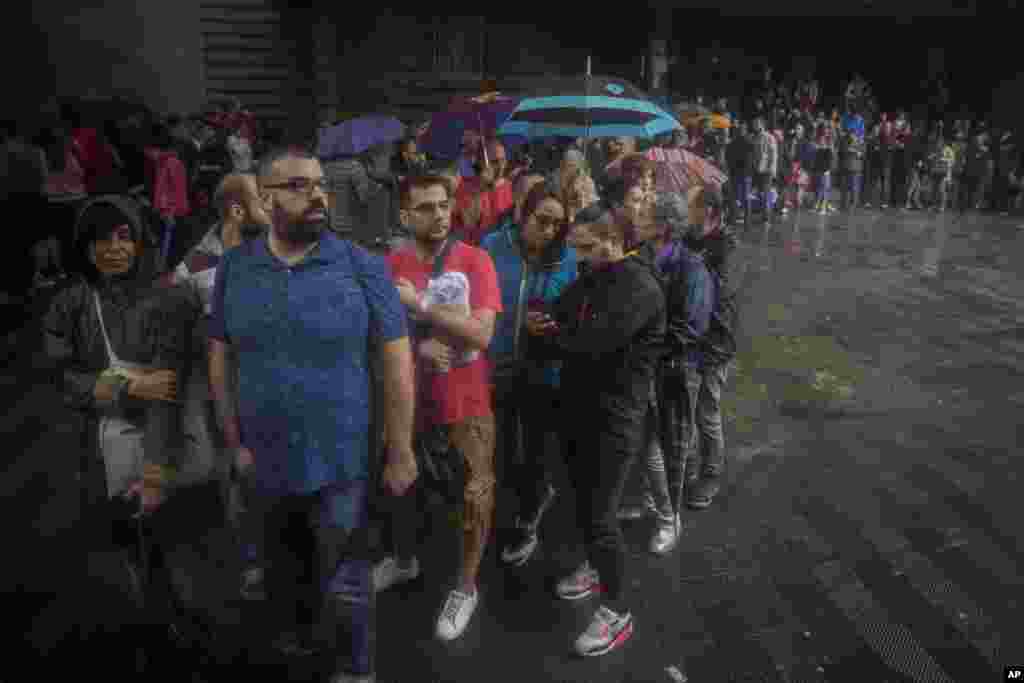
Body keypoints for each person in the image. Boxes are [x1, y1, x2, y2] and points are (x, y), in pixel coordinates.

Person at [207, 147, 417, 683]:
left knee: (348, 581)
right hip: (265, 462)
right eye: (299, 186)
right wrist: (233, 440)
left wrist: (400, 448)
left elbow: (396, 361)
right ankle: (301, 644)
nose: (318, 194)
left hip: (341, 461)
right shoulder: (234, 268)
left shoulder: (362, 267)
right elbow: (221, 357)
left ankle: (357, 670)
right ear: (266, 198)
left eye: (320, 184)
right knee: (287, 571)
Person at [43, 194, 199, 668]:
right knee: (129, 545)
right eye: (99, 240)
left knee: (175, 544)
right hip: (104, 451)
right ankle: (153, 624)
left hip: (165, 443)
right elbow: (60, 378)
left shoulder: (169, 297)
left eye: (123, 236)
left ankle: (175, 629)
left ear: (139, 241)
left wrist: (153, 470)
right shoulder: (71, 303)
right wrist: (123, 388)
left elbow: (171, 389)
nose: (112, 248)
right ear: (83, 249)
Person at [529, 205, 666, 657]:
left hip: (615, 420)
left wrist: (553, 334)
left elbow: (591, 345)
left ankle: (618, 609)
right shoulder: (591, 276)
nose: (580, 257)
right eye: (576, 248)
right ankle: (592, 565)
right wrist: (548, 324)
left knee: (601, 517)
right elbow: (558, 313)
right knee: (580, 505)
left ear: (614, 240)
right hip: (578, 410)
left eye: (587, 247)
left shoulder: (641, 287)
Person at [380, 174, 502, 642]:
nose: (438, 214)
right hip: (407, 402)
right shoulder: (390, 264)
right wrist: (418, 348)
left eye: (443, 204)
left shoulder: (475, 260)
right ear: (405, 216)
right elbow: (377, 335)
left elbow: (482, 334)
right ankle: (404, 559)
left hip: (466, 404)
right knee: (400, 488)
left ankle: (465, 586)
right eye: (425, 207)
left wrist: (424, 308)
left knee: (474, 494)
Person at [167, 172, 271, 599]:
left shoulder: (268, 249)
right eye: (260, 197)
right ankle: (252, 560)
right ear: (236, 210)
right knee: (236, 467)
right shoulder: (198, 265)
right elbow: (170, 319)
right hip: (227, 386)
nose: (270, 202)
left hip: (272, 380)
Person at [482, 184, 577, 568]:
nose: (549, 230)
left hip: (543, 368)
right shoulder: (492, 246)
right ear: (523, 213)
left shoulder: (567, 258)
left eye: (558, 224)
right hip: (499, 363)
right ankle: (505, 510)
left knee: (536, 448)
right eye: (542, 220)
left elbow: (575, 310)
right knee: (501, 447)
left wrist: (554, 324)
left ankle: (528, 519)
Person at [451, 139, 514, 245]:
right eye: (494, 162)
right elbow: (469, 223)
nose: (500, 167)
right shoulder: (465, 187)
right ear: (481, 162)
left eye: (503, 160)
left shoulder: (512, 187)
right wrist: (482, 188)